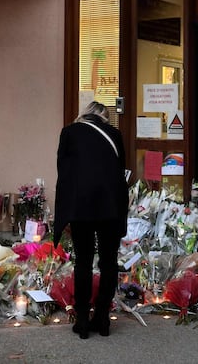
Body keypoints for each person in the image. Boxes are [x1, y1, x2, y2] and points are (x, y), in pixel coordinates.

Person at [53, 101, 128, 339]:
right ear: (104, 118)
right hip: (110, 207)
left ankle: (83, 320)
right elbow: (120, 169)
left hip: (81, 206)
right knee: (108, 262)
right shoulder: (115, 135)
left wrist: (65, 210)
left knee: (83, 261)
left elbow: (63, 171)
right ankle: (103, 319)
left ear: (83, 114)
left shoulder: (69, 132)